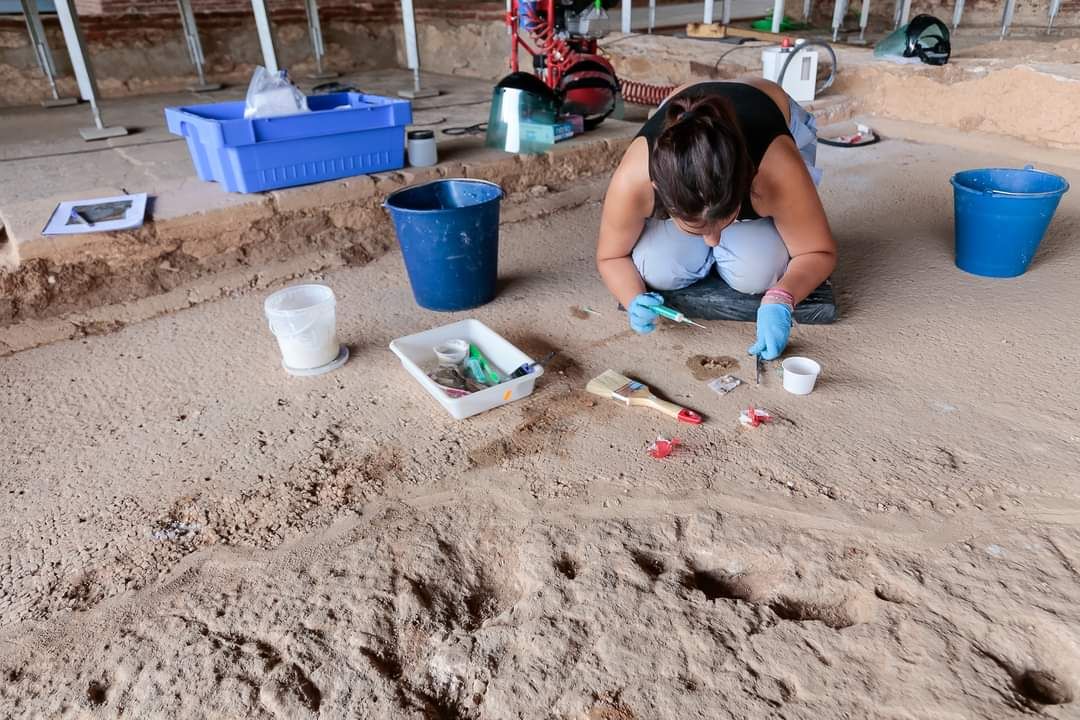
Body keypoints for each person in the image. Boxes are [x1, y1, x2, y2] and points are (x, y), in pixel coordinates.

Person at [595, 79, 836, 360]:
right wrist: (632, 297)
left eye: (725, 221)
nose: (713, 240)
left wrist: (782, 297)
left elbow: (818, 251)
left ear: (746, 183)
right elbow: (610, 257)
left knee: (759, 271)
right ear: (659, 192)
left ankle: (736, 238)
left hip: (765, 110)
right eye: (695, 228)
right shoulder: (634, 180)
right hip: (688, 110)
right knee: (658, 268)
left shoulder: (775, 170)